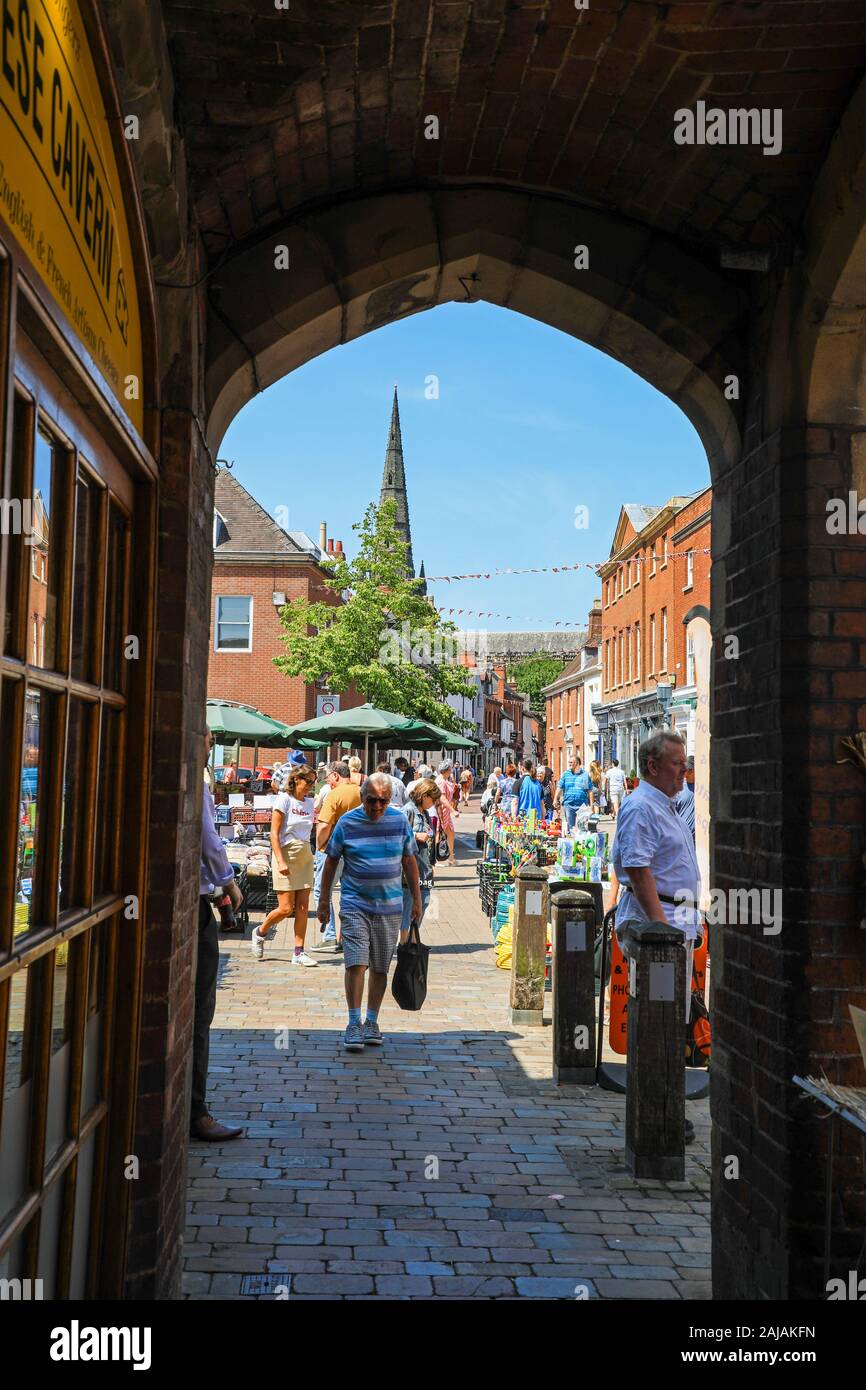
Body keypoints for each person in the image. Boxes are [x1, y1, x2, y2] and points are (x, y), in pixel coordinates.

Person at [611, 729, 701, 1143]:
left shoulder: (665, 804)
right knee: (659, 1021)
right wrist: (661, 926)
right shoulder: (642, 806)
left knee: (672, 1020)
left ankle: (665, 1106)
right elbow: (637, 867)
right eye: (677, 763)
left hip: (672, 930)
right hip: (657, 936)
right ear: (652, 766)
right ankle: (658, 1112)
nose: (684, 769)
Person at [317, 773, 421, 1052]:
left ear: (390, 799)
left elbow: (410, 860)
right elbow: (331, 862)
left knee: (379, 965)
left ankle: (372, 1021)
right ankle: (353, 1022)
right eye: (372, 800)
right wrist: (324, 900)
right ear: (362, 798)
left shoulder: (399, 821)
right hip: (355, 904)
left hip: (389, 906)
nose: (377, 806)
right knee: (355, 962)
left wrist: (418, 899)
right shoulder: (347, 823)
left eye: (383, 801)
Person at [193, 729, 244, 1141]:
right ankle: (195, 1111)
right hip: (192, 908)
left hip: (185, 903)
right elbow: (210, 840)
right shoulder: (196, 779)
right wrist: (227, 883)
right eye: (207, 737)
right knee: (198, 1012)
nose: (209, 744)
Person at [251, 766, 318, 966]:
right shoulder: (284, 799)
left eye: (314, 782)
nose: (311, 786)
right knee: (286, 908)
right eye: (309, 782)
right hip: (286, 854)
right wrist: (280, 860)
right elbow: (274, 833)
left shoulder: (309, 803)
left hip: (304, 854)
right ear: (297, 779)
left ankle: (298, 952)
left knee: (304, 907)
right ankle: (260, 932)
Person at [312, 761, 361, 952]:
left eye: (329, 778)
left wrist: (319, 844)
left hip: (332, 850)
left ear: (335, 775)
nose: (329, 782)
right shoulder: (361, 792)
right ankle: (349, 936)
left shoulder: (334, 794)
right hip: (355, 850)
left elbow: (324, 825)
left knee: (321, 890)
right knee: (349, 893)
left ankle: (330, 936)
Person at [400, 777, 440, 943]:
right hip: (411, 868)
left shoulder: (425, 814)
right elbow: (399, 834)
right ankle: (404, 941)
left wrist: (431, 862)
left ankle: (414, 937)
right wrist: (416, 836)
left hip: (424, 869)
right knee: (408, 903)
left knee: (424, 901)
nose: (434, 803)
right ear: (424, 795)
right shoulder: (408, 810)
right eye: (433, 798)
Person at [555, 754, 594, 833]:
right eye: (569, 762)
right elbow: (559, 787)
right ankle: (571, 843)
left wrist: (592, 805)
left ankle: (581, 843)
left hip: (582, 805)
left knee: (582, 828)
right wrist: (555, 799)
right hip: (569, 804)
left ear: (576, 763)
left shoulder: (585, 775)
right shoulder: (566, 774)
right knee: (570, 827)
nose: (569, 764)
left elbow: (590, 790)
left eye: (571, 762)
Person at [435, 760, 460, 862]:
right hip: (441, 810)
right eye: (450, 770)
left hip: (445, 811)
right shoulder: (440, 781)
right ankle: (437, 858)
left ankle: (451, 857)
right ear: (447, 770)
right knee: (439, 833)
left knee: (450, 832)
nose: (451, 772)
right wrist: (453, 810)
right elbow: (442, 798)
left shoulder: (444, 780)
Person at [674, 755, 696, 841]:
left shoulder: (703, 786)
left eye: (689, 770)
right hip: (682, 838)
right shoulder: (678, 789)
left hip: (698, 840)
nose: (686, 773)